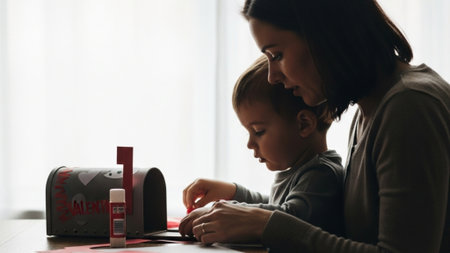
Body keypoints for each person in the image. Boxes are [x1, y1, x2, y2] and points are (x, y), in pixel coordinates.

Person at [185, 0, 450, 252]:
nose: (272, 76)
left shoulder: (410, 106)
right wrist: (239, 204)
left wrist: (265, 225)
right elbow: (319, 217)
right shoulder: (370, 110)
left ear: (322, 35)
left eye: (276, 54)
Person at [179, 56, 344, 238]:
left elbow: (288, 219)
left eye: (258, 131)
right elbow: (275, 206)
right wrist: (234, 192)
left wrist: (225, 213)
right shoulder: (304, 171)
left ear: (303, 124)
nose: (249, 144)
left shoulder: (321, 175)